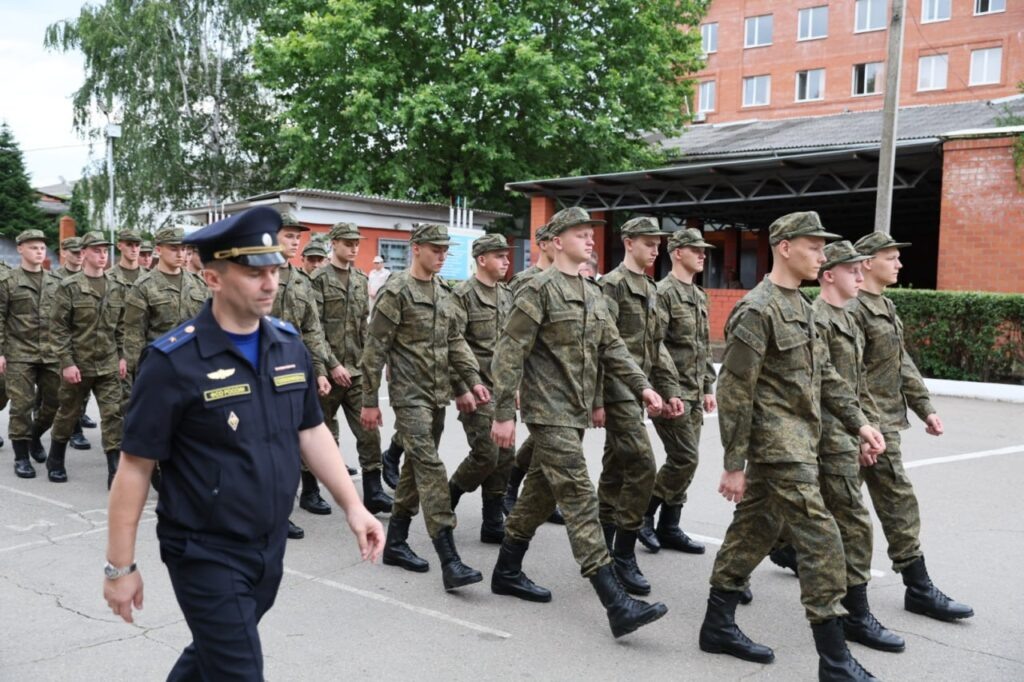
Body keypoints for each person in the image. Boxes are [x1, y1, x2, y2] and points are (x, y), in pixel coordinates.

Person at [102, 206, 384, 681]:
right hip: (204, 549)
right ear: (212, 278)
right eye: (254, 272)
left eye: (274, 270)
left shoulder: (289, 345)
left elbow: (311, 431)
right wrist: (119, 567)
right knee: (239, 669)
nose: (270, 283)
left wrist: (353, 506)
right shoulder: (174, 361)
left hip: (269, 543)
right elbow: (134, 467)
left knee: (214, 653)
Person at [698, 211, 885, 680]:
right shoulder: (757, 309)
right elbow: (735, 389)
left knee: (756, 530)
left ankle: (716, 624)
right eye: (812, 246)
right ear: (784, 247)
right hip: (776, 445)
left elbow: (826, 377)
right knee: (823, 540)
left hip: (805, 440)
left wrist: (860, 423)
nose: (821, 255)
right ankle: (835, 661)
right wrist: (733, 463)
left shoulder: (801, 308)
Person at [490, 206, 669, 638]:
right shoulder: (539, 289)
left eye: (591, 234)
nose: (590, 240)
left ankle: (507, 569)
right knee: (579, 497)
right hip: (547, 412)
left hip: (573, 412)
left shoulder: (592, 293)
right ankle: (615, 601)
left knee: (537, 494)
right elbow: (508, 353)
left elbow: (613, 347)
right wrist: (502, 414)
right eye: (580, 233)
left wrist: (643, 385)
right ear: (555, 242)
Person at [849, 231, 973, 622]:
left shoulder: (884, 305)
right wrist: (864, 426)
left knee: (890, 501)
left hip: (881, 424)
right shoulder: (851, 309)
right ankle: (916, 589)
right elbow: (848, 376)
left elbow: (901, 363)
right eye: (891, 257)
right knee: (833, 503)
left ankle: (917, 588)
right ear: (867, 262)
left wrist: (925, 408)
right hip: (863, 426)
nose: (899, 263)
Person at [360, 223, 489, 592]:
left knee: (417, 468)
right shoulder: (396, 291)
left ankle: (396, 543)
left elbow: (455, 343)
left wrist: (472, 381)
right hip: (409, 396)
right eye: (435, 249)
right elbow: (374, 351)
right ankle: (450, 559)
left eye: (445, 250)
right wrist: (370, 401)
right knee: (432, 467)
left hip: (437, 395)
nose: (442, 255)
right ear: (416, 248)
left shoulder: (444, 293)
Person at [595, 216, 685, 596]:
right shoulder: (610, 286)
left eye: (658, 243)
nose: (655, 249)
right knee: (643, 465)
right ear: (628, 242)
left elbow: (656, 345)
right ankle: (624, 553)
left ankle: (602, 544)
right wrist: (597, 400)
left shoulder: (649, 287)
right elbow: (599, 345)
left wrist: (670, 388)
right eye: (649, 242)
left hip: (642, 389)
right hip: (617, 391)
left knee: (616, 469)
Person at [643, 228, 717, 555]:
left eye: (704, 250)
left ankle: (669, 525)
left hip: (693, 391)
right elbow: (655, 346)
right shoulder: (662, 293)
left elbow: (702, 346)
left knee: (686, 460)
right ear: (677, 253)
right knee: (685, 457)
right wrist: (665, 391)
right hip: (670, 392)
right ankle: (643, 515)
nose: (702, 254)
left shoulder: (699, 295)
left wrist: (708, 386)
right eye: (695, 249)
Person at [310, 222, 392, 515]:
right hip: (326, 371)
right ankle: (310, 490)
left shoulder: (360, 279)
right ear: (333, 243)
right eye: (347, 243)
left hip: (356, 370)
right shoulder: (318, 279)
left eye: (356, 243)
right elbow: (313, 328)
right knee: (320, 433)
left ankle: (373, 492)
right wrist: (330, 365)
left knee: (369, 432)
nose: (354, 247)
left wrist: (371, 364)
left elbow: (364, 326)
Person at [447, 233, 515, 543]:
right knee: (486, 453)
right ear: (482, 259)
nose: (506, 261)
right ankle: (449, 496)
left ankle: (492, 522)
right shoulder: (462, 295)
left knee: (505, 456)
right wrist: (461, 388)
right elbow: (450, 344)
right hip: (476, 388)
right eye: (499, 256)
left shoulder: (506, 295)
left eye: (507, 255)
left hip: (502, 390)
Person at [47, 231, 128, 487]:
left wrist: (122, 356)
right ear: (84, 254)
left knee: (113, 414)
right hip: (78, 364)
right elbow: (58, 328)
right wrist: (67, 362)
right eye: (96, 251)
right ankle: (56, 458)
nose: (102, 255)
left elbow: (122, 327)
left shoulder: (117, 287)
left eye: (105, 251)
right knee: (68, 413)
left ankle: (114, 469)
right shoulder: (69, 287)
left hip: (107, 364)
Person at [273, 212, 335, 538]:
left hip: (294, 375)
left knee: (290, 444)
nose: (295, 241)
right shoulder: (252, 275)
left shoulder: (301, 281)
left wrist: (320, 371)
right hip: (259, 376)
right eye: (289, 235)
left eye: (298, 237)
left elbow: (312, 330)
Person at [501, 223, 565, 525]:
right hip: (529, 373)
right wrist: (512, 382)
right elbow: (511, 335)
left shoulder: (567, 279)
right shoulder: (524, 281)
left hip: (557, 378)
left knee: (546, 442)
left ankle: (535, 494)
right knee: (547, 440)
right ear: (544, 243)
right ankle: (513, 486)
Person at [0, 230, 61, 477]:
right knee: (22, 405)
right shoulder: (8, 282)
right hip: (19, 353)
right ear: (20, 249)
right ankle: (21, 456)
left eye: (42, 248)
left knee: (55, 403)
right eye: (33, 247)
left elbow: (63, 320)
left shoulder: (54, 282)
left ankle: (35, 436)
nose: (39, 252)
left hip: (50, 353)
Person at [123, 226, 209, 373]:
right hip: (159, 365)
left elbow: (208, 324)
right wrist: (141, 369)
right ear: (158, 250)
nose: (180, 254)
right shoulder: (144, 286)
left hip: (194, 364)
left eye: (183, 249)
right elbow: (134, 335)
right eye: (174, 248)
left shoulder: (198, 284)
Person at [51, 236, 93, 451]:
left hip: (83, 344)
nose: (78, 256)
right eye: (74, 252)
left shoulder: (89, 276)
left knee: (80, 392)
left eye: (80, 252)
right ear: (64, 252)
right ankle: (68, 429)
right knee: (57, 395)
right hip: (56, 343)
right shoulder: (55, 278)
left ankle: (77, 426)